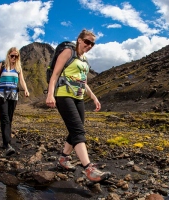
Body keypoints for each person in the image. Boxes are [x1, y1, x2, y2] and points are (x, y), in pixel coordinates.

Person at [46, 29, 111, 182]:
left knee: (76, 129)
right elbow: (55, 74)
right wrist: (50, 94)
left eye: (92, 44)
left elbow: (84, 83)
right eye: (87, 42)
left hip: (78, 97)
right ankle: (89, 169)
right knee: (78, 130)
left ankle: (63, 158)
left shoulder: (85, 60)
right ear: (80, 40)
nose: (89, 45)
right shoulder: (68, 52)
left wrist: (94, 98)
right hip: (64, 95)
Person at [0, 47, 29, 156]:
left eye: (16, 56)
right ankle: (7, 144)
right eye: (12, 56)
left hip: (13, 95)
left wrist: (26, 90)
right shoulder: (2, 65)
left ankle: (5, 142)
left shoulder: (18, 68)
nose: (14, 58)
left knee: (9, 119)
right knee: (5, 118)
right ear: (8, 55)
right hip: (1, 94)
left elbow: (22, 80)